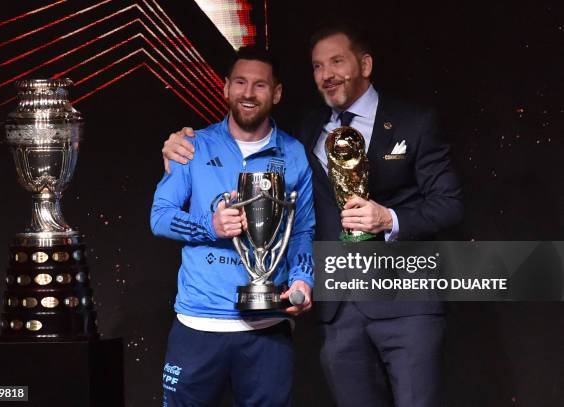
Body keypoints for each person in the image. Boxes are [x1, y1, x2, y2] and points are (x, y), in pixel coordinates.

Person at [162, 24, 463, 407]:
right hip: (339, 314)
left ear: (365, 64)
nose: (327, 74)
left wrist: (390, 219)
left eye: (337, 61)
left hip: (406, 306)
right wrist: (177, 146)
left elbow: (450, 204)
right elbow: (298, 216)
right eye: (318, 66)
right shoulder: (305, 132)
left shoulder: (414, 122)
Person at [151, 46, 315, 407]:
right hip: (199, 324)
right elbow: (159, 217)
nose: (248, 93)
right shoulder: (191, 146)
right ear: (225, 87)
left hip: (266, 327)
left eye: (260, 85)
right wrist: (209, 225)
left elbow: (302, 230)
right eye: (240, 82)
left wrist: (304, 278)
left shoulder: (294, 153)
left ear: (277, 93)